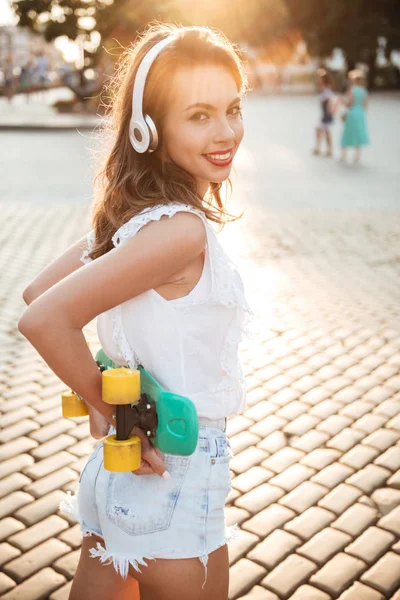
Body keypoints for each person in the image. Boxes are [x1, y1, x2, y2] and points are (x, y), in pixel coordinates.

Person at [18, 22, 253, 600]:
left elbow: (36, 294)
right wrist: (104, 402)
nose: (225, 132)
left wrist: (119, 394)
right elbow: (43, 317)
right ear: (149, 129)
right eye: (198, 115)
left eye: (233, 109)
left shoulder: (130, 224)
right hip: (174, 473)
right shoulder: (180, 231)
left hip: (118, 477)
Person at [340, 69, 369, 163]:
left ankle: (344, 156)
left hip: (352, 113)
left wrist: (342, 101)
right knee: (358, 134)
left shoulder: (352, 90)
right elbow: (365, 106)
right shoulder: (364, 91)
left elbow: (348, 104)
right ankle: (357, 157)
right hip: (360, 113)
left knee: (347, 134)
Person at [312, 68, 338, 157]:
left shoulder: (327, 88)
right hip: (324, 113)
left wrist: (331, 110)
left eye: (319, 77)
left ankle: (328, 150)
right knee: (319, 130)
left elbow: (331, 99)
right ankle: (319, 148)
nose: (317, 79)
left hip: (327, 114)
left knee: (326, 132)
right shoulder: (322, 87)